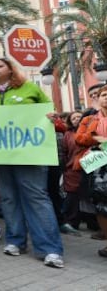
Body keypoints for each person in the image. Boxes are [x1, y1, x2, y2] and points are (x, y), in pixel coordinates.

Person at [0, 58, 64, 268]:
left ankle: (50, 249)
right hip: (0, 155)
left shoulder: (30, 88)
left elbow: (50, 112)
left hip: (30, 154)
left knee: (36, 197)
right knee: (9, 197)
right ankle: (15, 241)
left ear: (11, 69)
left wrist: (51, 117)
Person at [74, 85, 107, 257]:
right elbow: (78, 138)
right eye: (103, 95)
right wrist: (95, 137)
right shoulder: (88, 120)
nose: (106, 97)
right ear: (98, 99)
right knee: (101, 203)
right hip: (99, 165)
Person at [60, 111, 83, 236]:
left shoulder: (90, 131)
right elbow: (64, 152)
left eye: (79, 117)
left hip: (89, 167)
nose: (77, 119)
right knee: (72, 195)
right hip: (72, 168)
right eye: (74, 118)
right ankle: (71, 222)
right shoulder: (68, 134)